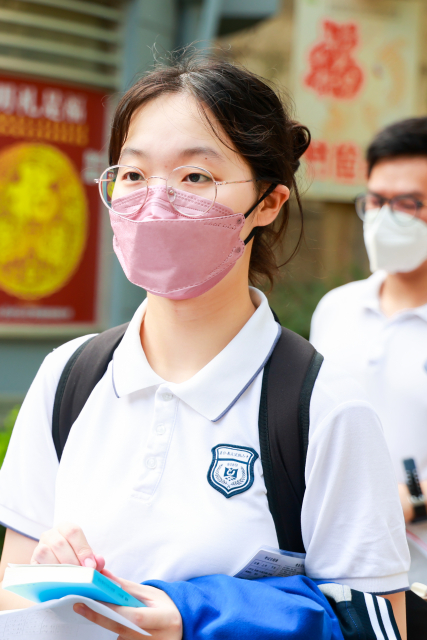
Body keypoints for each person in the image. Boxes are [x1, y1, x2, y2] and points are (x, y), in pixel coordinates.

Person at [0, 54, 409, 638]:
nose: (157, 201)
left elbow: (378, 621)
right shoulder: (69, 375)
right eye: (135, 175)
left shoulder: (321, 406)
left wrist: (199, 617)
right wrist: (54, 582)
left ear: (268, 202)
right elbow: (12, 584)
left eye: (195, 177)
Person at [310, 117, 427, 590]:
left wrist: (411, 499)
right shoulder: (336, 309)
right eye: (377, 201)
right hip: (339, 567)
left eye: (410, 204)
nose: (385, 216)